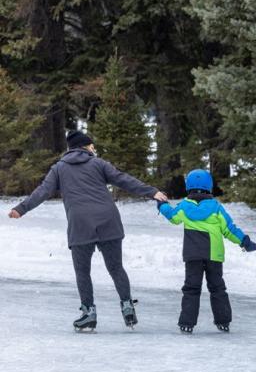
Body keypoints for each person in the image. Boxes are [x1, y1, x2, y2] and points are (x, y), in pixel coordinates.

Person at [8, 130, 168, 331]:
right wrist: (152, 191)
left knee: (82, 271)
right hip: (108, 220)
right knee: (115, 267)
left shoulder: (59, 169)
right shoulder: (99, 164)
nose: (94, 148)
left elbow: (43, 191)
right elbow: (123, 179)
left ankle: (88, 313)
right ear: (84, 146)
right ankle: (127, 306)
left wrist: (21, 209)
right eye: (91, 145)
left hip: (80, 224)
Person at [157, 169, 256, 334]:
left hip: (193, 255)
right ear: (209, 186)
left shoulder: (184, 207)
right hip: (214, 255)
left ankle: (187, 323)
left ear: (188, 186)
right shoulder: (216, 208)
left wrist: (162, 205)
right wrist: (244, 241)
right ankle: (223, 321)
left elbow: (172, 217)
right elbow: (229, 229)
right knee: (217, 288)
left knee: (191, 288)